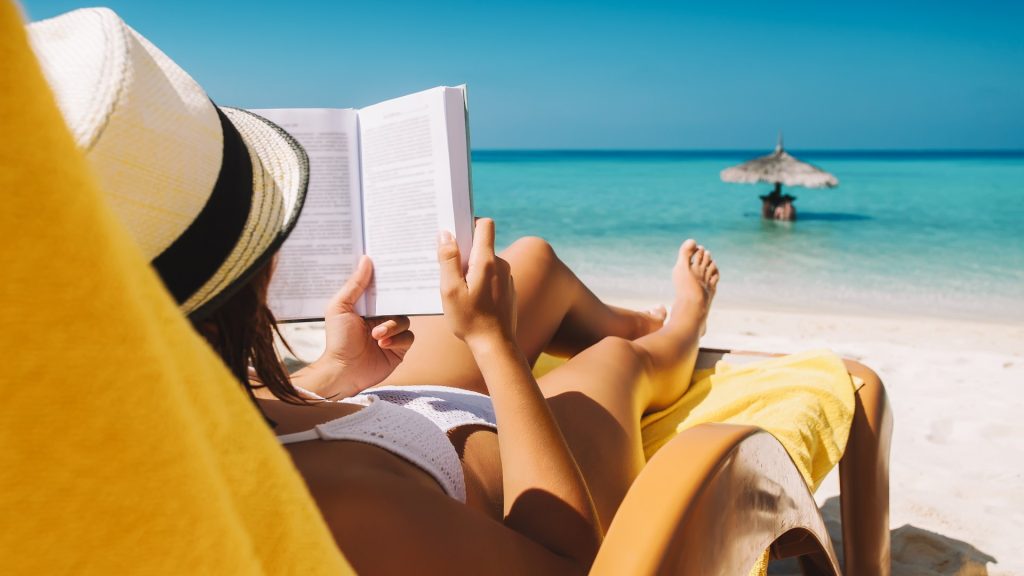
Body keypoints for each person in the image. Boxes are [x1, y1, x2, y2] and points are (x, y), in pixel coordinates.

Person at [29, 8, 718, 574]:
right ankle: (678, 330)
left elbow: (241, 406)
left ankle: (625, 318)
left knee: (530, 261)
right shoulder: (335, 510)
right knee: (616, 368)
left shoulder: (148, 406)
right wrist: (498, 349)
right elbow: (568, 562)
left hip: (380, 411)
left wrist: (331, 372)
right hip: (510, 478)